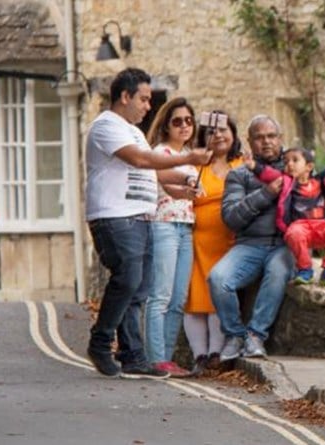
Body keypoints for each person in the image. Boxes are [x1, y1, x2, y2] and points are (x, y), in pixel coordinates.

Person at [83, 68, 211, 379]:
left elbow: (152, 172)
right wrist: (187, 159)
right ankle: (100, 342)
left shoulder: (135, 131)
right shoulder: (106, 126)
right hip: (114, 215)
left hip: (141, 216)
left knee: (137, 290)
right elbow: (141, 160)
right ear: (124, 97)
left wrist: (185, 178)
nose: (147, 106)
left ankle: (133, 356)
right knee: (127, 279)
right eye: (143, 99)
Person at [210, 116, 297, 362]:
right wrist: (266, 194)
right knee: (218, 278)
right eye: (259, 137)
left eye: (271, 136)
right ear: (249, 142)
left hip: (285, 245)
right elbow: (231, 218)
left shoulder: (294, 168)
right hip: (250, 244)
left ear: (280, 139)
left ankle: (256, 335)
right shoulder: (239, 175)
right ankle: (235, 335)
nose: (266, 142)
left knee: (278, 272)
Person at [138, 97, 204, 378]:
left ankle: (166, 357)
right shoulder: (160, 151)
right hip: (163, 225)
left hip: (185, 227)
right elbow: (164, 177)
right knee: (160, 295)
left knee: (178, 298)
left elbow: (188, 192)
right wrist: (188, 182)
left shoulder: (190, 154)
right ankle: (154, 358)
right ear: (166, 124)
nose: (184, 126)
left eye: (188, 120)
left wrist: (192, 189)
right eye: (177, 121)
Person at [185, 110, 245, 375]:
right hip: (199, 241)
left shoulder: (243, 164)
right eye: (211, 131)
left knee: (218, 295)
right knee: (195, 298)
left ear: (233, 133)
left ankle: (216, 354)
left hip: (231, 241)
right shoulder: (196, 167)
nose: (218, 135)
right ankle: (199, 355)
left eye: (223, 129)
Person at [260, 148, 325, 288]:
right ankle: (304, 269)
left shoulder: (323, 181)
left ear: (309, 166)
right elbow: (269, 174)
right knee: (294, 232)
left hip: (322, 225)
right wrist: (253, 166)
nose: (289, 164)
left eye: (295, 160)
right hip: (300, 226)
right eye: (286, 162)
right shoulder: (287, 183)